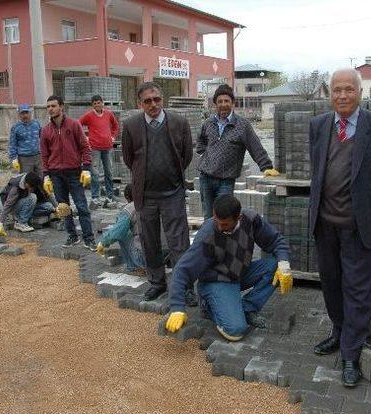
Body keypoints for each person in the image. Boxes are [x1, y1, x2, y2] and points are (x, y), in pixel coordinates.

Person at [308, 69, 371, 387]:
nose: (342, 95)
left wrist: (366, 203)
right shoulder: (318, 125)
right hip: (326, 224)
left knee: (358, 292)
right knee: (331, 284)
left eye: (349, 90)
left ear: (360, 93)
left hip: (359, 226)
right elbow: (317, 170)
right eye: (336, 90)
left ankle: (351, 354)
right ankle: (338, 330)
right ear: (328, 94)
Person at [164, 195, 293, 341]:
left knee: (276, 265)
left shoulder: (251, 220)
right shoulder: (208, 235)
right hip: (217, 281)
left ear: (239, 217)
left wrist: (284, 265)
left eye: (224, 224)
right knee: (236, 330)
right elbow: (181, 270)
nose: (219, 227)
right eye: (217, 221)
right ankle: (208, 305)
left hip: (239, 273)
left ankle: (247, 309)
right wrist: (177, 308)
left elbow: (276, 241)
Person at [121, 81, 194, 302]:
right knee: (149, 241)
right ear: (139, 103)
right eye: (147, 101)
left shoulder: (179, 123)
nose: (153, 104)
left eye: (157, 99)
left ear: (162, 99)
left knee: (179, 242)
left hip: (173, 193)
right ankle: (157, 283)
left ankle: (185, 287)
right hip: (146, 196)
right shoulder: (131, 125)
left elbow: (186, 155)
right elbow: (128, 158)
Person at [196, 84, 280, 218]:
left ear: (233, 103)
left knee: (224, 216)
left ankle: (224, 239)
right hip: (205, 178)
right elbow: (200, 141)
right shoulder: (208, 123)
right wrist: (205, 154)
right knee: (208, 217)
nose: (223, 104)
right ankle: (211, 240)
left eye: (226, 101)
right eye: (220, 101)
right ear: (215, 104)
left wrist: (266, 167)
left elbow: (255, 147)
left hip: (226, 181)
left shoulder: (242, 125)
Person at [40, 94, 97, 250]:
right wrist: (46, 176)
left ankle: (89, 238)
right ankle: (72, 236)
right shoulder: (45, 131)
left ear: (62, 107)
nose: (50, 109)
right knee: (63, 208)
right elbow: (44, 155)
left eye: (53, 106)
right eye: (48, 106)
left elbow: (85, 148)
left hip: (74, 172)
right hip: (55, 174)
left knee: (82, 206)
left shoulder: (73, 125)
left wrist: (86, 169)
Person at [0, 171, 56, 238]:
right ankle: (21, 223)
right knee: (32, 197)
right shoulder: (16, 188)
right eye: (30, 187)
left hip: (27, 204)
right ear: (26, 183)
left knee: (50, 207)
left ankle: (24, 216)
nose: (31, 189)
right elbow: (7, 205)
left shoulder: (37, 181)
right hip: (14, 206)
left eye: (33, 187)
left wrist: (57, 207)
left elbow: (48, 194)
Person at [79, 94, 120, 203]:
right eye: (95, 103)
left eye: (99, 102)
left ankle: (110, 196)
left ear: (102, 103)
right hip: (94, 148)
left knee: (109, 172)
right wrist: (85, 137)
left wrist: (113, 136)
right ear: (92, 105)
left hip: (108, 148)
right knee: (95, 174)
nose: (97, 105)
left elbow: (116, 126)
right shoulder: (89, 116)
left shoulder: (108, 114)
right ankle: (95, 197)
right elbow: (78, 125)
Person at [96, 184, 145, 273]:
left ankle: (135, 267)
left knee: (124, 233)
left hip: (145, 257)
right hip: (164, 254)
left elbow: (117, 232)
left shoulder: (129, 208)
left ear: (127, 197)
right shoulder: (152, 201)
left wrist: (103, 242)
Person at [9, 103, 42, 174]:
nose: (25, 115)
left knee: (41, 179)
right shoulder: (15, 128)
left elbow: (43, 138)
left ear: (30, 113)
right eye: (22, 113)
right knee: (26, 180)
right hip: (24, 159)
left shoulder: (37, 124)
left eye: (26, 113)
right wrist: (13, 159)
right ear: (19, 115)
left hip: (38, 157)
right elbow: (12, 145)